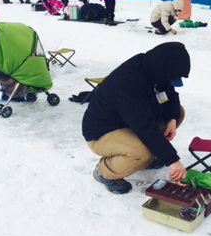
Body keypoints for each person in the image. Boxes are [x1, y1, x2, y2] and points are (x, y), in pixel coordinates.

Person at [82, 42, 191, 194]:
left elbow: (171, 95)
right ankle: (104, 172)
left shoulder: (156, 71)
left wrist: (172, 119)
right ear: (163, 68)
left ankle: (148, 154)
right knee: (142, 154)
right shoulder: (127, 82)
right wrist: (172, 161)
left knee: (178, 112)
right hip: (102, 133)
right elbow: (144, 126)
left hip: (129, 123)